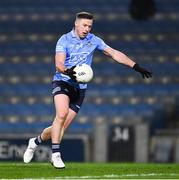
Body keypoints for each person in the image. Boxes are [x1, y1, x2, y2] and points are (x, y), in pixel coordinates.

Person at [23, 11, 152, 169]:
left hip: (80, 88)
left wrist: (135, 66)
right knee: (61, 114)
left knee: (60, 126)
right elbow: (59, 63)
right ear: (76, 24)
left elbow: (113, 53)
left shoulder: (94, 40)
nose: (87, 29)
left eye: (89, 26)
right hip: (62, 82)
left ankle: (35, 141)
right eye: (84, 25)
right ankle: (55, 155)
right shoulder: (64, 40)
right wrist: (68, 71)